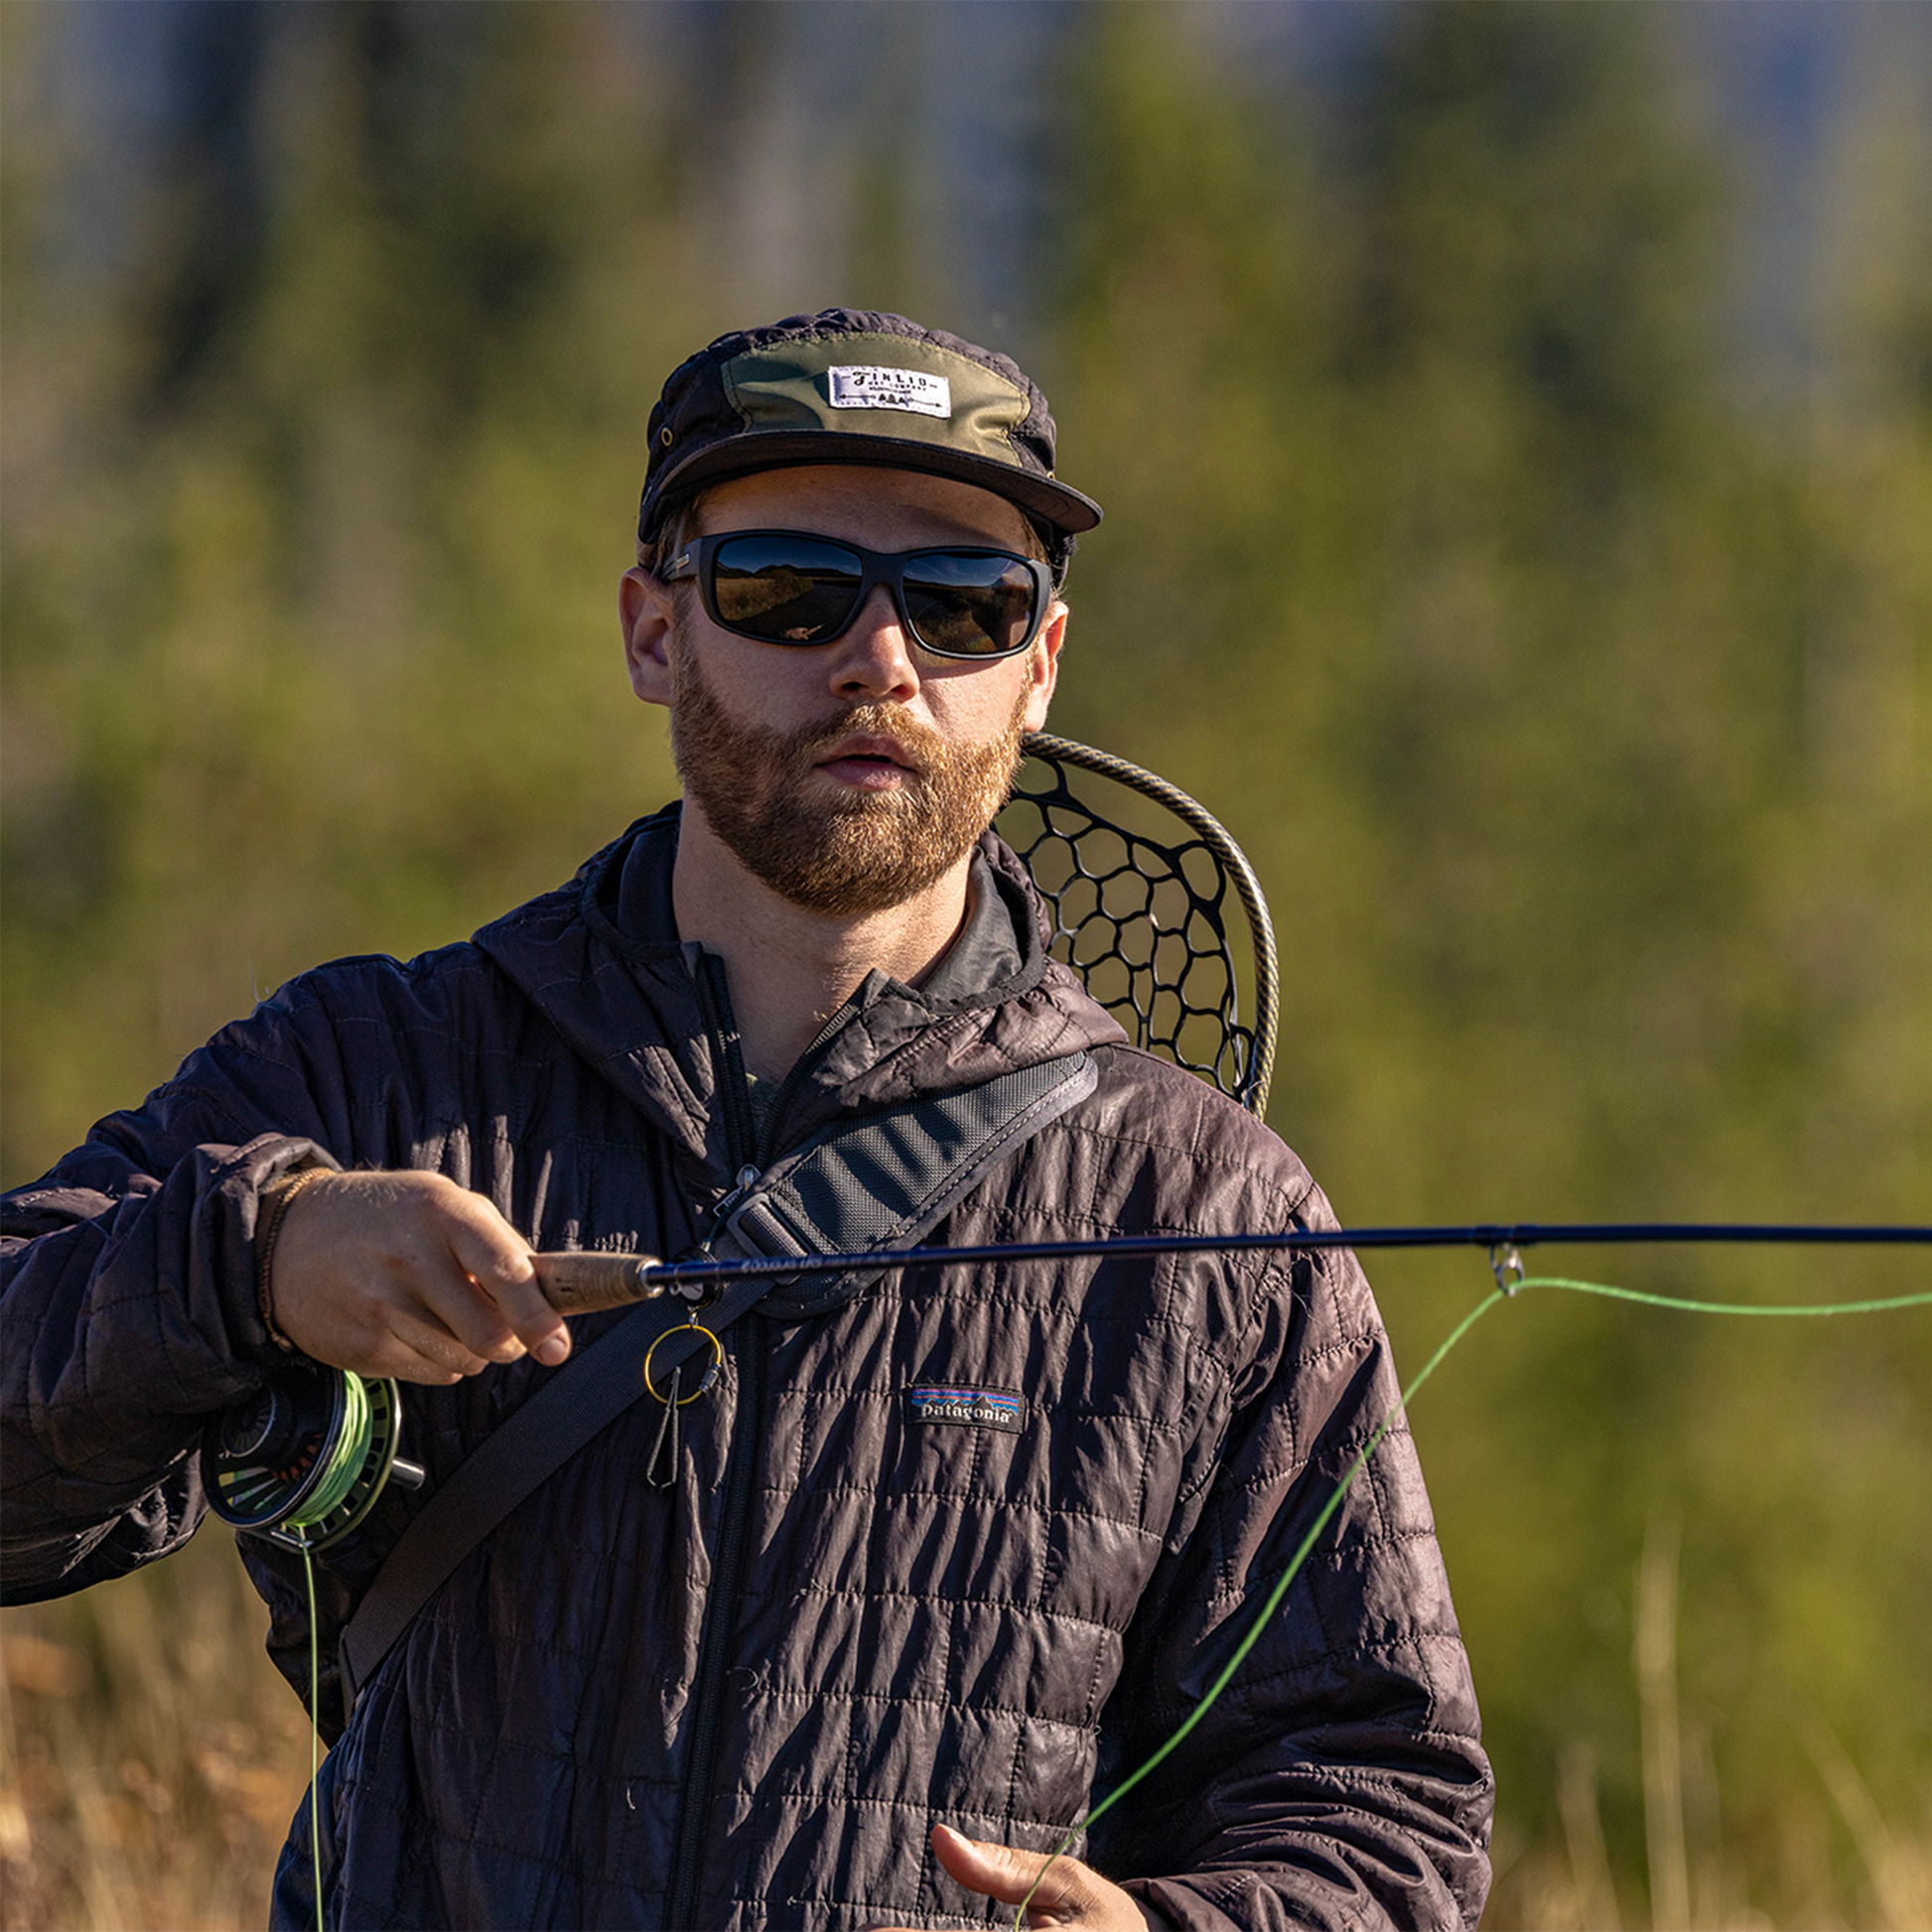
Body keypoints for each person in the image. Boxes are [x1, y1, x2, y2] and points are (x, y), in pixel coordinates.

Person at [0, 309, 1492, 1930]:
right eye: (787, 588)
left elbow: (1382, 1808)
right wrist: (253, 1257)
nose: (881, 658)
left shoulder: (1213, 1212)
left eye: (964, 603)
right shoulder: (376, 1072)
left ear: (1040, 667)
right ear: (653, 632)